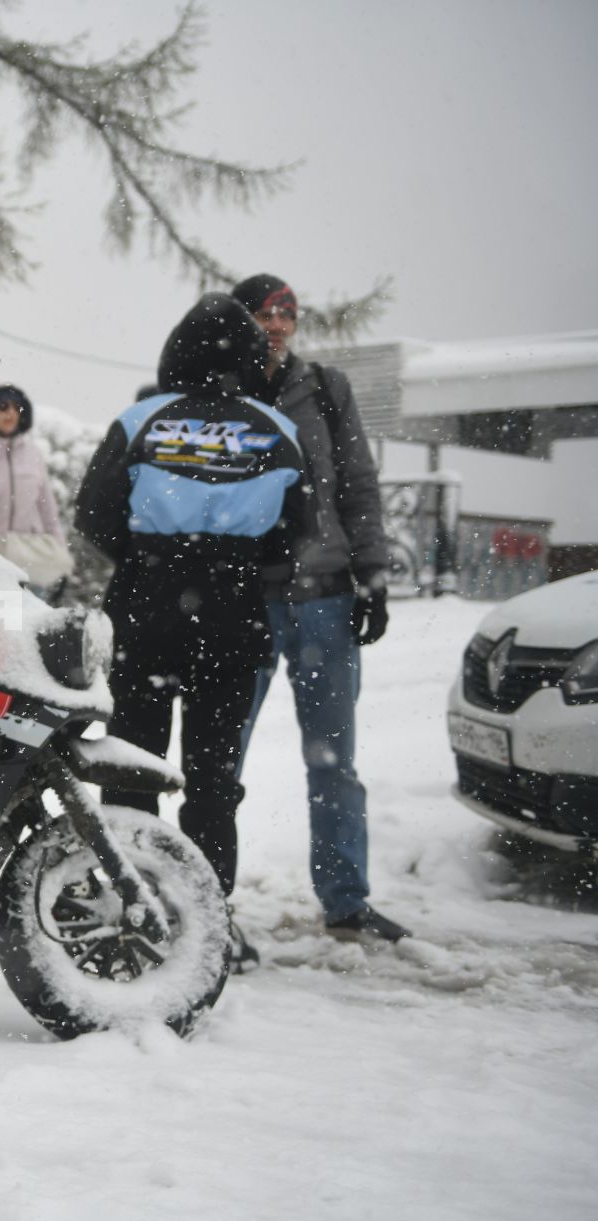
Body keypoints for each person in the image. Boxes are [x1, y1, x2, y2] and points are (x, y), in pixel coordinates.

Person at [75, 293, 309, 973]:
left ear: (175, 351)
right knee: (212, 779)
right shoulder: (274, 428)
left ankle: (131, 912)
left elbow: (94, 516)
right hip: (233, 613)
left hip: (147, 609)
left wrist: (153, 557)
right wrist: (231, 560)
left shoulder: (140, 419)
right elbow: (297, 534)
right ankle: (211, 923)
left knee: (130, 767)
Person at [230, 272, 410, 945]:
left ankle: (346, 902)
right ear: (240, 321)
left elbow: (358, 486)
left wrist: (374, 576)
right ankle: (206, 902)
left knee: (334, 764)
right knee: (221, 766)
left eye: (287, 315)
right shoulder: (220, 390)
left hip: (327, 601)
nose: (277, 326)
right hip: (245, 603)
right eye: (264, 314)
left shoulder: (327, 390)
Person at [0, 384, 72, 598]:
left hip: (29, 565)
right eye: (3, 406)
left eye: (16, 408)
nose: (10, 413)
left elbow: (49, 513)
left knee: (28, 628)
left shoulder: (32, 455)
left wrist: (61, 558)